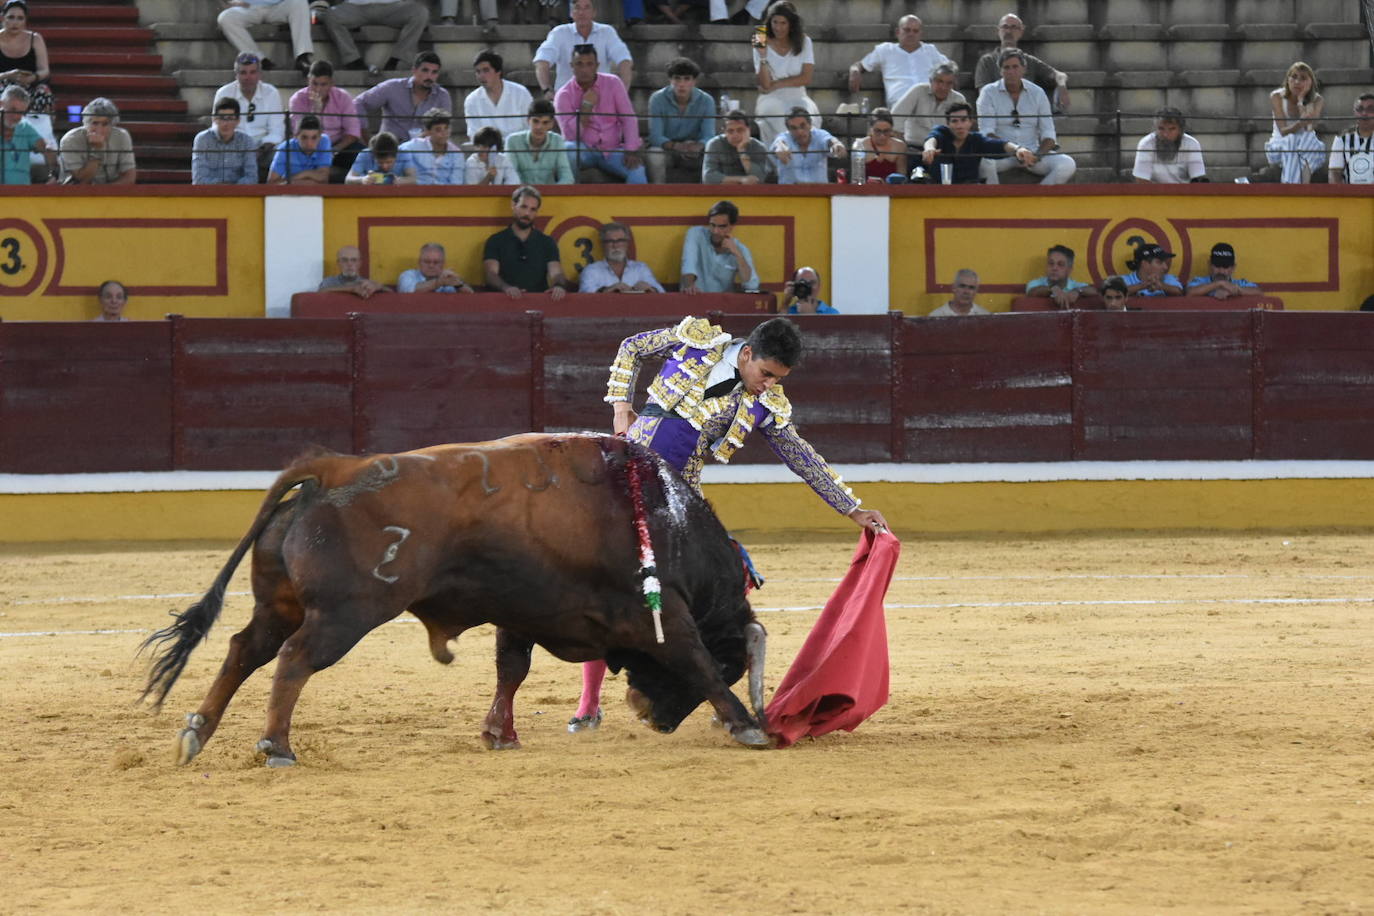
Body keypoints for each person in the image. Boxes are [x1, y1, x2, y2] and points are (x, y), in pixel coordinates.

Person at [569, 315, 890, 730]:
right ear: (748, 353)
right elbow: (631, 346)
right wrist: (620, 406)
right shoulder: (696, 341)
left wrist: (852, 508)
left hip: (680, 499)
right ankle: (589, 701)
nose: (769, 385)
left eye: (778, 379)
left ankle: (707, 692)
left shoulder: (763, 405)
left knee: (723, 585)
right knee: (603, 583)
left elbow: (803, 458)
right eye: (766, 374)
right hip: (625, 477)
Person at [976, 48, 1075, 185]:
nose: (1011, 72)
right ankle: (994, 202)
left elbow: (1049, 134)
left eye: (1015, 67)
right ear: (1000, 71)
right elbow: (987, 133)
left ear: (1024, 69)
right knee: (982, 163)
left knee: (1067, 164)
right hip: (1001, 153)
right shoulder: (988, 92)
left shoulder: (1037, 93)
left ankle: (1039, 199)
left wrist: (1037, 155)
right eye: (1006, 68)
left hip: (1032, 153)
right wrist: (1015, 150)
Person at [553, 44, 645, 183]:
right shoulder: (563, 95)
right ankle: (571, 194)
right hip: (584, 149)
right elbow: (570, 136)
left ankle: (636, 205)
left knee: (637, 170)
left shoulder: (613, 83)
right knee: (568, 150)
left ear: (597, 65)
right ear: (572, 66)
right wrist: (586, 108)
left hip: (612, 149)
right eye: (579, 64)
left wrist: (630, 149)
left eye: (589, 64)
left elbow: (628, 118)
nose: (584, 69)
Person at [483, 185, 569, 299]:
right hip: (504, 302)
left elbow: (556, 273)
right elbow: (491, 274)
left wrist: (559, 286)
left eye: (533, 209)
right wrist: (507, 288)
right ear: (513, 206)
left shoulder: (547, 242)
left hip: (538, 302)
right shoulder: (495, 240)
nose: (527, 213)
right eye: (524, 207)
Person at [752, 0, 819, 146]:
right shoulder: (760, 37)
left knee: (812, 118)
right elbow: (764, 84)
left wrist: (777, 84)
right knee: (778, 118)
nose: (778, 28)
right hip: (770, 97)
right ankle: (782, 159)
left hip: (798, 94)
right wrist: (763, 56)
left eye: (783, 23)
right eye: (775, 22)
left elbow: (806, 78)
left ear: (791, 24)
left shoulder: (804, 41)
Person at [847, 15, 950, 109]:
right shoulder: (885, 50)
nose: (911, 34)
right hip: (899, 105)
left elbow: (950, 67)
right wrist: (855, 71)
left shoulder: (930, 50)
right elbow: (861, 65)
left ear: (920, 34)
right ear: (897, 32)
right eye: (907, 30)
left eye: (915, 31)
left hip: (928, 104)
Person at [973, 13, 1069, 113]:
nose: (1009, 31)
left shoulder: (1029, 60)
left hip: (1027, 115)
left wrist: (1062, 87)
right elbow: (983, 96)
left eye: (1014, 27)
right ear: (998, 31)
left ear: (1021, 32)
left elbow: (1059, 75)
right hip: (998, 115)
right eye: (1005, 27)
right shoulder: (987, 61)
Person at [288, 59, 364, 182]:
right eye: (314, 83)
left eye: (323, 84)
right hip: (308, 145)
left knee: (362, 154)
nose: (318, 89)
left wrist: (334, 150)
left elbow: (353, 132)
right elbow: (298, 133)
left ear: (331, 83)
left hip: (337, 146)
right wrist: (315, 110)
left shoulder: (343, 97)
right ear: (308, 80)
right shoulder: (297, 99)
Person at [533, 0, 632, 94]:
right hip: (566, 99)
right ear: (571, 13)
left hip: (601, 100)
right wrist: (546, 90)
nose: (581, 12)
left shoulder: (607, 32)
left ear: (594, 12)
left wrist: (621, 93)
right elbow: (542, 61)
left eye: (586, 7)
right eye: (577, 8)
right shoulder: (559, 33)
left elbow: (624, 60)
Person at [352, 51, 452, 143]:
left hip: (423, 151)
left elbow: (445, 127)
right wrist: (365, 135)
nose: (429, 76)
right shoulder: (392, 87)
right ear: (414, 70)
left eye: (434, 72)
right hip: (389, 150)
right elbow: (358, 103)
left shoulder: (442, 96)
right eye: (425, 70)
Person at [920, 102, 1030, 184]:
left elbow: (1000, 144)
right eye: (954, 121)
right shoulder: (942, 133)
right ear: (948, 124)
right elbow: (932, 139)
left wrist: (1018, 149)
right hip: (938, 194)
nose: (959, 126)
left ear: (970, 122)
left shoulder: (976, 140)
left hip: (969, 195)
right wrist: (929, 149)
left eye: (963, 120)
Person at [213, 52, 284, 180]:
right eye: (243, 73)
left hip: (264, 149)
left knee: (284, 153)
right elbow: (217, 127)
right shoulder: (224, 93)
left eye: (252, 72)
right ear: (236, 74)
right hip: (233, 147)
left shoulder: (271, 93)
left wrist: (259, 150)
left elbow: (277, 131)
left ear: (260, 74)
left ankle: (275, 192)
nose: (248, 77)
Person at [645, 56, 715, 184]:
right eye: (677, 78)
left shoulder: (707, 101)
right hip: (668, 150)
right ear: (670, 80)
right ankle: (658, 195)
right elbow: (655, 137)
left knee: (713, 153)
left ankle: (705, 197)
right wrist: (676, 146)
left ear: (694, 81)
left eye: (687, 79)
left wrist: (698, 146)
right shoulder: (657, 99)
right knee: (654, 154)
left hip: (694, 151)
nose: (681, 84)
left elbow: (709, 136)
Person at [319, 0, 428, 77]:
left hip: (393, 6)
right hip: (355, 6)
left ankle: (397, 60)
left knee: (420, 12)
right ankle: (352, 59)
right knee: (330, 15)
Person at [680, 199, 759, 294]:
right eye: (712, 225)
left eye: (721, 227)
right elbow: (689, 263)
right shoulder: (696, 234)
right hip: (694, 298)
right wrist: (689, 285)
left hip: (723, 305)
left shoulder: (740, 249)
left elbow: (751, 285)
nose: (715, 231)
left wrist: (738, 255)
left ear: (732, 226)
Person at [1265, 61, 1325, 184]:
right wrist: (1300, 124)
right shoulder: (1277, 96)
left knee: (1307, 141)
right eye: (1294, 77)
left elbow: (1309, 128)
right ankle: (1302, 187)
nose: (1297, 82)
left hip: (1308, 145)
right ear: (1288, 79)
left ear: (1310, 82)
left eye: (1303, 78)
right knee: (1291, 140)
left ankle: (1291, 186)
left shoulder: (1317, 100)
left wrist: (1301, 99)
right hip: (1280, 145)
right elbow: (1283, 132)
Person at [216, 0, 314, 75]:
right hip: (247, 7)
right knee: (225, 18)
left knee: (300, 1)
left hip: (278, 5)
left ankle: (302, 57)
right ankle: (259, 60)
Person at [58, 97, 136, 185]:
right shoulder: (70, 140)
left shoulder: (122, 136)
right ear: (86, 123)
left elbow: (129, 178)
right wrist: (97, 152)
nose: (99, 129)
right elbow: (82, 182)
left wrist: (104, 193)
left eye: (105, 124)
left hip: (111, 192)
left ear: (112, 125)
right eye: (95, 123)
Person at [463, 50, 533, 142]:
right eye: (478, 71)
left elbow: (530, 128)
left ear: (498, 71)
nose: (481, 76)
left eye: (486, 70)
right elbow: (474, 135)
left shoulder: (521, 93)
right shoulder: (471, 100)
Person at [891, 61, 966, 146]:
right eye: (939, 81)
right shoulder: (918, 91)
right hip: (913, 147)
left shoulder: (958, 99)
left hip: (943, 150)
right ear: (930, 80)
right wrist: (903, 147)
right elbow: (895, 118)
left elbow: (962, 129)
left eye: (949, 83)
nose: (943, 87)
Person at [578, 222, 664, 292]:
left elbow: (662, 294)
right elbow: (585, 295)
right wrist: (608, 290)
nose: (615, 246)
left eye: (620, 241)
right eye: (610, 241)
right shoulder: (592, 270)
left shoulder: (640, 268)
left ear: (627, 244)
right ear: (603, 244)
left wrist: (651, 289)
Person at [504, 98, 574, 185]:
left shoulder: (557, 141)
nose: (539, 127)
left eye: (545, 123)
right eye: (535, 121)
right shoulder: (512, 141)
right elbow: (511, 177)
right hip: (521, 196)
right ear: (528, 120)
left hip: (550, 195)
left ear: (551, 124)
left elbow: (567, 177)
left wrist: (552, 193)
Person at [191, 97, 258, 185]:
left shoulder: (247, 141)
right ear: (215, 119)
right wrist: (224, 186)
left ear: (238, 121)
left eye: (230, 118)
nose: (225, 123)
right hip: (209, 194)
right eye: (222, 118)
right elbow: (199, 179)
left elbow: (252, 178)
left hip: (239, 195)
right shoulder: (203, 140)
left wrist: (232, 188)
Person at [771, 105, 844, 184]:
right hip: (790, 194)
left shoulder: (820, 135)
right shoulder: (784, 137)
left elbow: (829, 141)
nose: (799, 132)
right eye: (794, 128)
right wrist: (780, 149)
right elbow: (779, 143)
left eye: (803, 126)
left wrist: (836, 145)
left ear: (810, 125)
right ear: (788, 129)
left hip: (819, 193)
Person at [1132, 107, 1206, 184]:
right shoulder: (1146, 144)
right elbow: (1141, 180)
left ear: (1180, 130)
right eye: (1161, 128)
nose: (1166, 134)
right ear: (1155, 128)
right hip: (1154, 193)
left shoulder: (1191, 144)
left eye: (1172, 129)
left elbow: (1197, 178)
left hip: (1184, 193)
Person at [0, 84, 52, 184]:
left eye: (21, 112)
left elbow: (46, 149)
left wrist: (52, 175)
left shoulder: (25, 128)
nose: (16, 116)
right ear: (1, 104)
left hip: (23, 194)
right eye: (13, 110)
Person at [398, 107, 464, 184]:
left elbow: (456, 184)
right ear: (428, 132)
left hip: (445, 194)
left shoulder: (457, 154)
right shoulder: (413, 146)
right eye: (438, 130)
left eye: (446, 128)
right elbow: (398, 152)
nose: (444, 133)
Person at [702, 109, 769, 184]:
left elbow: (759, 178)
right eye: (730, 131)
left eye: (740, 130)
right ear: (724, 131)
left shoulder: (758, 146)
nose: (735, 135)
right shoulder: (714, 144)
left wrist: (742, 152)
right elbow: (708, 177)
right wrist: (742, 179)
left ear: (748, 130)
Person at [267, 114, 331, 183]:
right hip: (288, 192)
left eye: (314, 138)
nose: (309, 143)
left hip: (296, 187)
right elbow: (271, 183)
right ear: (296, 136)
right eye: (304, 137)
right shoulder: (285, 148)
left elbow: (324, 179)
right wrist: (310, 178)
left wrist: (302, 175)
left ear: (320, 137)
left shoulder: (324, 141)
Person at [1025, 245, 1096, 308]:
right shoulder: (1036, 283)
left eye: (1060, 264)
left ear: (1069, 270)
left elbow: (1093, 291)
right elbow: (1032, 291)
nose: (1054, 268)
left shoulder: (1074, 285)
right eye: (1051, 263)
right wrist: (1053, 289)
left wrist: (1077, 291)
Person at [1186, 243, 1264, 299]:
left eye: (1225, 266)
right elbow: (1190, 292)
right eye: (1217, 265)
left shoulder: (1240, 283)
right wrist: (1220, 284)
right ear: (1209, 264)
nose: (1221, 271)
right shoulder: (1199, 281)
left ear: (1233, 267)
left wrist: (1234, 290)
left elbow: (1259, 292)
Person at [1327, 93, 1374, 185]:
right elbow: (1334, 173)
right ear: (1354, 113)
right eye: (1360, 109)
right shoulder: (1342, 139)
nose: (1364, 113)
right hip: (1350, 196)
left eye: (1370, 109)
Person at [851, 108, 905, 182]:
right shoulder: (860, 145)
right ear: (871, 130)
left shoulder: (899, 146)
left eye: (886, 131)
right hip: (866, 190)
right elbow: (856, 178)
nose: (882, 136)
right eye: (877, 131)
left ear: (892, 130)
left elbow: (902, 177)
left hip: (891, 190)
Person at [398, 242, 476, 293]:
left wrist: (459, 285)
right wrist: (439, 283)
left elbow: (471, 296)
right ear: (419, 262)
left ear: (443, 264)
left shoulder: (448, 277)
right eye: (427, 261)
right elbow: (408, 291)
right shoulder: (408, 275)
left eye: (436, 262)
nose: (431, 265)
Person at [345, 130, 415, 183]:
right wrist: (363, 179)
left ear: (397, 154)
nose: (384, 166)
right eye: (380, 162)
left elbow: (413, 179)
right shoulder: (365, 154)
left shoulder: (404, 153)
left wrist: (398, 181)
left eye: (389, 162)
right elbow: (348, 179)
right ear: (372, 154)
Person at [318, 245, 387, 298]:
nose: (349, 264)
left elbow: (391, 294)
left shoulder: (366, 283)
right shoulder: (329, 281)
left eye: (354, 260)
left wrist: (378, 286)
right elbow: (321, 292)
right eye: (345, 260)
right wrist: (352, 288)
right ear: (338, 263)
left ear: (359, 263)